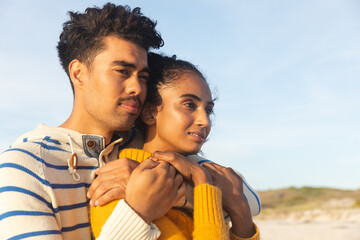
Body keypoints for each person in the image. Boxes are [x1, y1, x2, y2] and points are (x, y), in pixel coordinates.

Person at [0, 4, 185, 239]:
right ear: (78, 73)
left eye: (143, 76)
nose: (137, 87)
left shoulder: (147, 145)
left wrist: (170, 190)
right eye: (122, 71)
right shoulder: (25, 166)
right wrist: (137, 212)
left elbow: (239, 197)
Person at [90, 53, 260, 240]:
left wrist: (241, 212)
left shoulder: (204, 176)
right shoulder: (116, 186)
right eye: (189, 104)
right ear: (149, 113)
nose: (204, 121)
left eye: (208, 110)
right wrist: (203, 183)